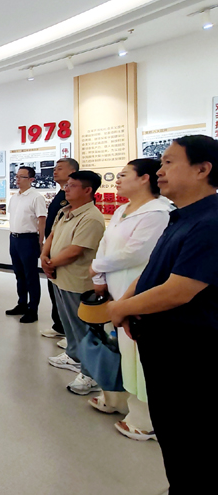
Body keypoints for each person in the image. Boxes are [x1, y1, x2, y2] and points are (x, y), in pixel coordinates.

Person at [107, 136, 218, 494]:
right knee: (173, 433)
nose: (159, 170)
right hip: (162, 347)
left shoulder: (210, 222)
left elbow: (179, 289)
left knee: (190, 436)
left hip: (189, 352)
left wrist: (121, 307)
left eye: (169, 162)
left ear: (202, 169)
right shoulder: (179, 217)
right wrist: (128, 299)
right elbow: (155, 269)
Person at [87, 159, 169, 441]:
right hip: (114, 291)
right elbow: (105, 243)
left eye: (123, 175)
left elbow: (137, 254)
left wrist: (97, 266)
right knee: (119, 351)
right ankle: (118, 400)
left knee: (139, 358)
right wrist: (100, 274)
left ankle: (145, 419)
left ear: (145, 178)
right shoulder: (123, 209)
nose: (117, 180)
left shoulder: (158, 213)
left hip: (137, 294)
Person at [42, 171, 105, 395]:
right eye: (66, 185)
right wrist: (44, 256)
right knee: (68, 324)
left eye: (72, 185)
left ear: (87, 190)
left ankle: (91, 374)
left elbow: (76, 251)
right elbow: (51, 236)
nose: (66, 188)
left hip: (78, 281)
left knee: (83, 330)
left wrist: (50, 264)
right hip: (60, 277)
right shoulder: (65, 210)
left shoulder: (92, 217)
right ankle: (74, 356)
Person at [40, 158, 79, 342]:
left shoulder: (74, 197)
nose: (55, 171)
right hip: (53, 248)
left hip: (64, 251)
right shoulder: (60, 194)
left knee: (68, 294)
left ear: (72, 172)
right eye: (55, 169)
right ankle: (59, 325)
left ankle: (71, 333)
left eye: (60, 169)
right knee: (55, 290)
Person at [5, 166, 47, 323]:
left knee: (31, 276)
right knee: (19, 274)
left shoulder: (36, 197)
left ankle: (33, 309)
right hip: (14, 238)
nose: (17, 179)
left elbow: (41, 220)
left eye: (21, 177)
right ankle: (22, 303)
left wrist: (41, 242)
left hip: (28, 239)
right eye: (16, 176)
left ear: (31, 179)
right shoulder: (14, 197)